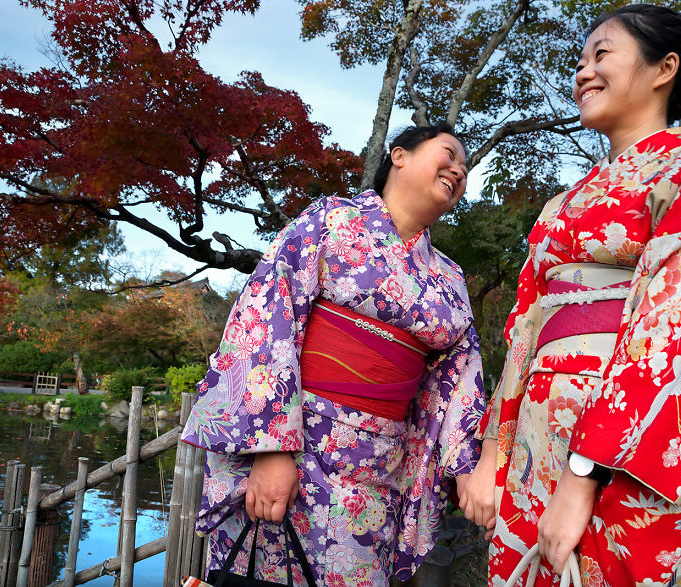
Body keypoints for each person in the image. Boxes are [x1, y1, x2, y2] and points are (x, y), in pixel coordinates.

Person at [466, 4, 681, 585]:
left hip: (619, 448)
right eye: (579, 60)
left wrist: (585, 474)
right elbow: (527, 331)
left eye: (601, 54)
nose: (583, 71)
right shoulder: (564, 202)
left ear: (664, 68)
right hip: (537, 430)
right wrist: (492, 459)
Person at [180, 123, 486, 585]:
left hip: (381, 469)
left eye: (465, 167)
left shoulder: (449, 278)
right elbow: (265, 318)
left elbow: (459, 379)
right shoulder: (330, 221)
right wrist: (271, 449)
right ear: (399, 156)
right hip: (300, 450)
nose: (458, 169)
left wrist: (466, 466)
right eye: (449, 153)